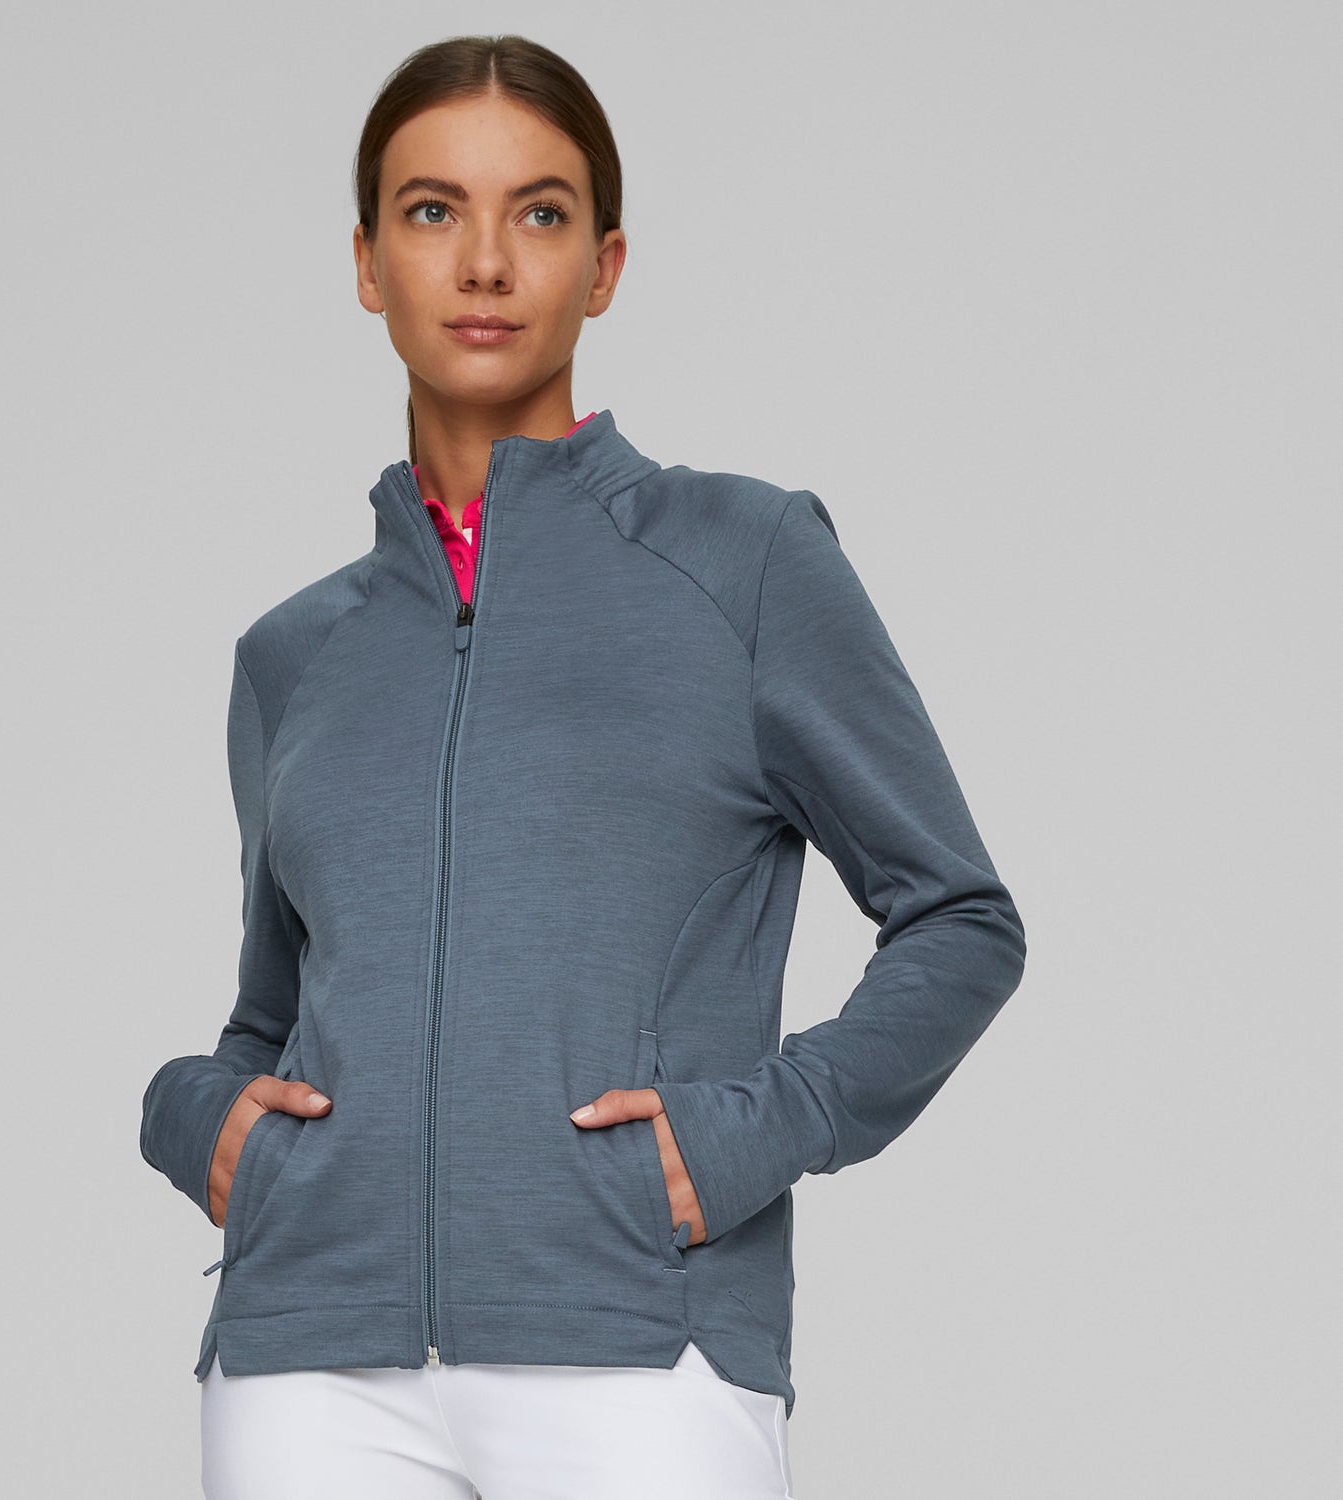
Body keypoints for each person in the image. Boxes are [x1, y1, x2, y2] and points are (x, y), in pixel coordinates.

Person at [139, 32, 1027, 1500]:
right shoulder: (294, 656)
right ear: (367, 263)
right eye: (433, 210)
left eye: (539, 213)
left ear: (605, 266)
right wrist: (191, 1114)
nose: (485, 262)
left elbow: (961, 919)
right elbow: (277, 1019)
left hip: (638, 1352)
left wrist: (752, 1134)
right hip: (306, 1365)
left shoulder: (745, 564)